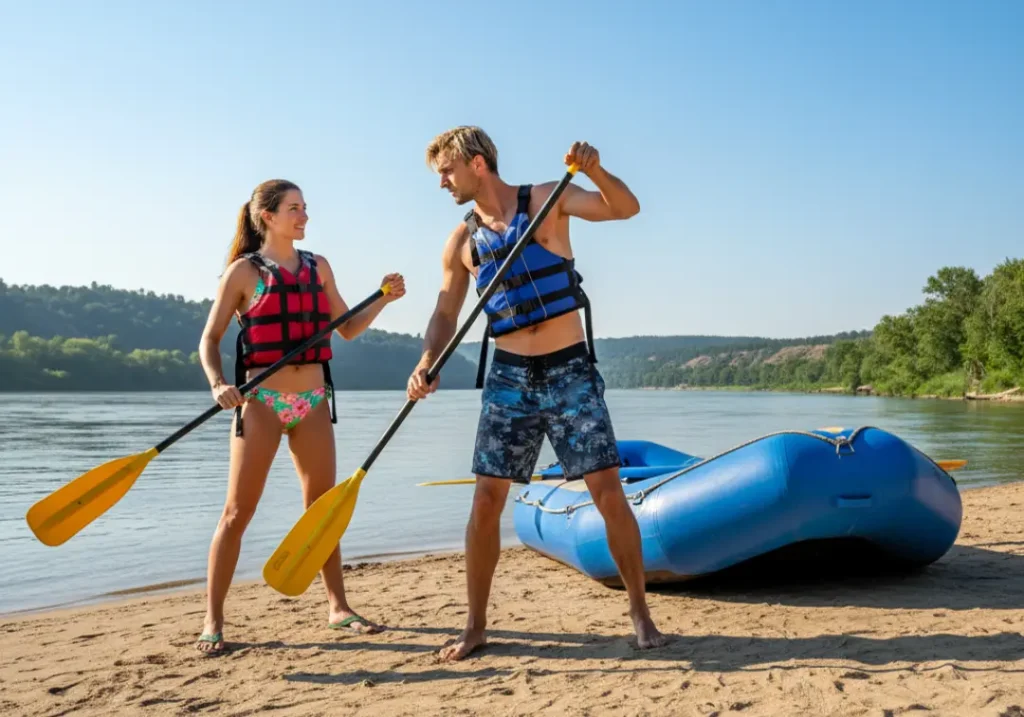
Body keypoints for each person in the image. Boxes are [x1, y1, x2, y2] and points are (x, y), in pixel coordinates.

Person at [407, 126, 667, 661]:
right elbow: (444, 314)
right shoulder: (461, 241)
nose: (442, 183)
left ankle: (640, 613)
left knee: (607, 492)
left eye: (446, 171)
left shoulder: (548, 199)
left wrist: (594, 168)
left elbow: (626, 208)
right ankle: (475, 625)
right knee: (486, 500)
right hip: (508, 378)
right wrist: (426, 361)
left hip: (569, 368)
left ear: (477, 163)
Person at [195, 178, 406, 655]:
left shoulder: (318, 266)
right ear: (267, 216)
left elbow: (348, 328)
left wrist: (381, 300)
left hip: (312, 402)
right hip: (262, 403)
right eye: (295, 208)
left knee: (323, 511)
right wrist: (218, 384)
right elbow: (209, 340)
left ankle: (338, 607)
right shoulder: (243, 274)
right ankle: (213, 618)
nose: (304, 216)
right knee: (236, 513)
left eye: (305, 208)